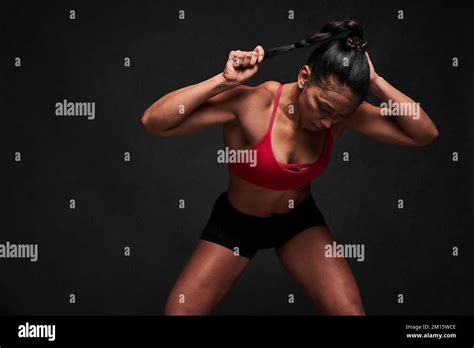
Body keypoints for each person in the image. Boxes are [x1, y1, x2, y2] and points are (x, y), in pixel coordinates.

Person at [141, 19, 439, 315]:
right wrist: (223, 81)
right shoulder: (255, 104)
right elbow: (154, 122)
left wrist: (374, 81)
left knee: (349, 312)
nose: (327, 122)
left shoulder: (342, 112)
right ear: (304, 76)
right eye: (322, 107)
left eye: (338, 115)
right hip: (236, 224)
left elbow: (424, 133)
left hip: (298, 224)